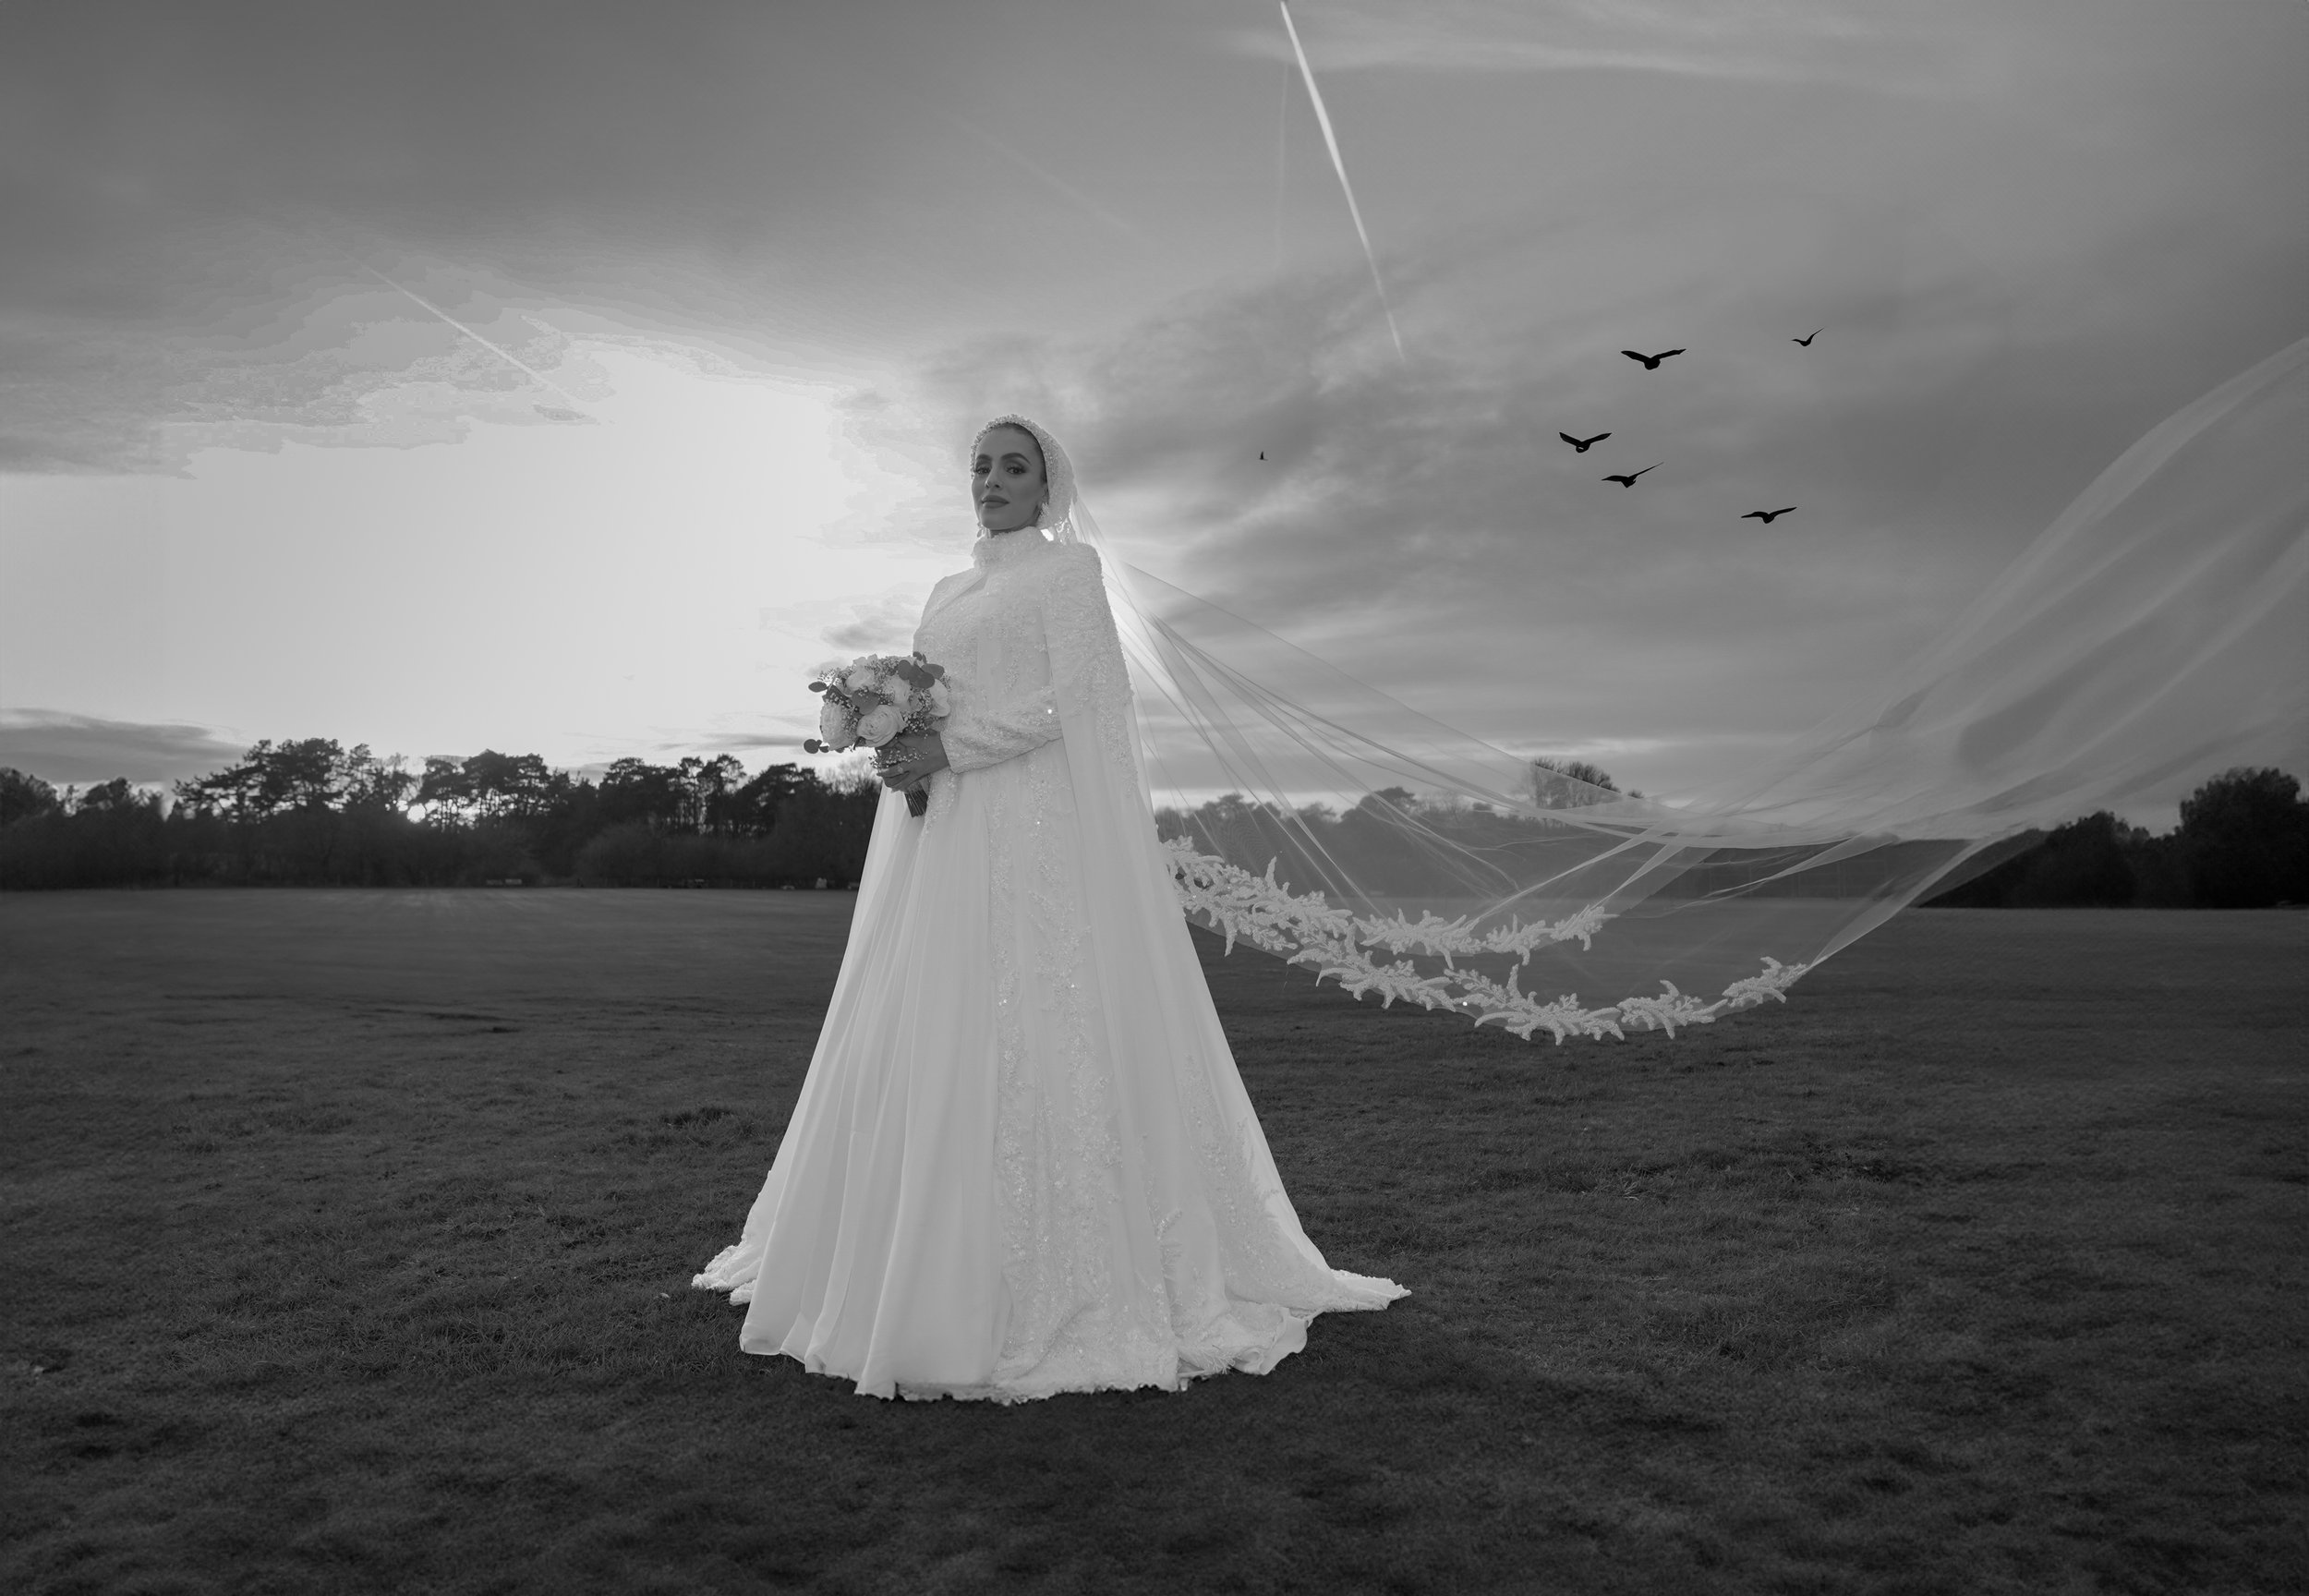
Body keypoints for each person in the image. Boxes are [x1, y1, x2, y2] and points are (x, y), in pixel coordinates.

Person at [693, 415, 1404, 1401]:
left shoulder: (1070, 574)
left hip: (1029, 825)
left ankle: (1071, 1284)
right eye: (980, 465)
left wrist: (957, 746)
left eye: (1012, 467)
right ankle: (898, 1253)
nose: (991, 479)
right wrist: (901, 745)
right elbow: (943, 695)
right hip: (940, 828)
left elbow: (1086, 697)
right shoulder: (948, 588)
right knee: (928, 1013)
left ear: (1046, 488)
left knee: (1038, 1006)